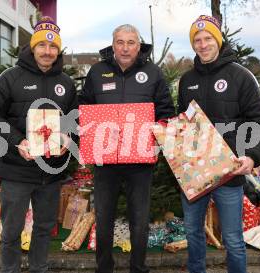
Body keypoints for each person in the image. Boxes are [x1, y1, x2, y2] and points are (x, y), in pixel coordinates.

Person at [0, 16, 77, 273]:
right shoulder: (10, 78)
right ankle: (10, 270)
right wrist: (17, 143)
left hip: (52, 172)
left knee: (44, 227)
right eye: (42, 46)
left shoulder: (66, 84)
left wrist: (69, 138)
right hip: (17, 170)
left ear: (58, 50)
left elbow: (74, 120)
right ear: (33, 47)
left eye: (53, 47)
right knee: (11, 230)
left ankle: (39, 268)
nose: (47, 52)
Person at [79, 24, 175, 273]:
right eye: (120, 42)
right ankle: (104, 268)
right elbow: (83, 108)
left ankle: (138, 268)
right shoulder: (97, 72)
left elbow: (166, 111)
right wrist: (86, 131)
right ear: (113, 45)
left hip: (139, 163)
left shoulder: (153, 73)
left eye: (130, 42)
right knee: (103, 219)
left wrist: (158, 129)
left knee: (140, 221)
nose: (125, 47)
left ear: (138, 45)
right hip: (105, 162)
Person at [177, 15, 260, 273]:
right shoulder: (187, 80)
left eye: (208, 38)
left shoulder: (241, 76)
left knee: (232, 239)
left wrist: (251, 156)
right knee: (193, 234)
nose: (203, 44)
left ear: (218, 40)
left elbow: (258, 120)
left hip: (230, 172)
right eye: (197, 40)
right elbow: (182, 122)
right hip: (194, 172)